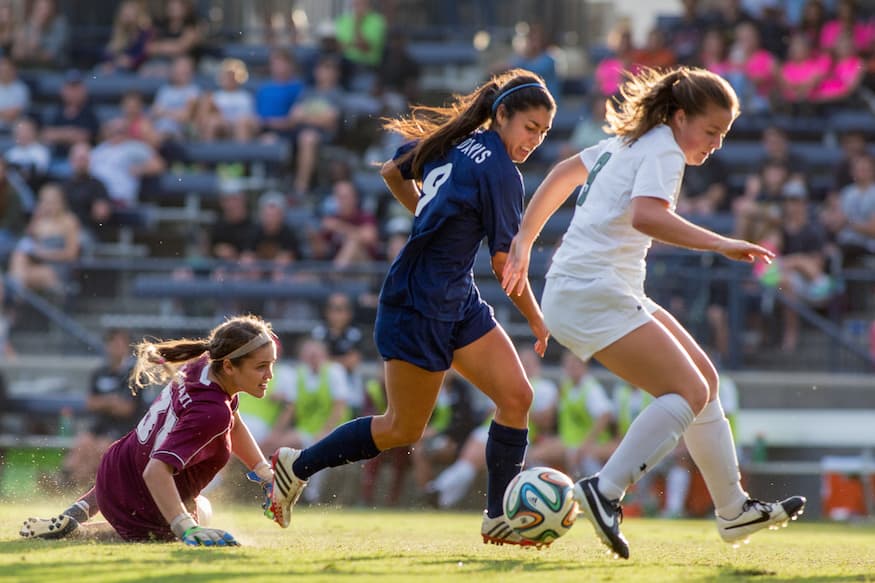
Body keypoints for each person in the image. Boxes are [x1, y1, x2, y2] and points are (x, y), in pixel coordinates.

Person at [501, 66, 805, 559]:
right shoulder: (662, 148)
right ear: (681, 117)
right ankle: (605, 491)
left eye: (724, 135)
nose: (716, 144)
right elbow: (648, 215)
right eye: (711, 132)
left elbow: (563, 173)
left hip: (594, 287)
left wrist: (525, 241)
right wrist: (722, 243)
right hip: (589, 290)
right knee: (685, 390)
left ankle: (733, 510)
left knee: (703, 380)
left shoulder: (631, 141)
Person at [266, 69, 556, 546]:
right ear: (502, 115)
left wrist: (430, 217)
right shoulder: (502, 170)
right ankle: (297, 466)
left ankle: (498, 516)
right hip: (419, 302)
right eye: (530, 127)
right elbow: (506, 264)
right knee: (402, 428)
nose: (535, 140)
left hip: (453, 295)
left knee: (516, 398)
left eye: (543, 133)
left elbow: (391, 172)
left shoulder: (459, 141)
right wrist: (537, 319)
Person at [19, 315, 278, 546]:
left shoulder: (203, 366)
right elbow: (155, 472)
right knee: (201, 509)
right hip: (142, 493)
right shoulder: (214, 411)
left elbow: (233, 421)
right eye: (261, 366)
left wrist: (264, 471)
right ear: (230, 367)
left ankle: (74, 513)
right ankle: (82, 533)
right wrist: (184, 527)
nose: (269, 374)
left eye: (271, 364)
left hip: (117, 465)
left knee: (167, 482)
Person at [61, 328, 141, 489]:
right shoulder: (99, 373)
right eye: (112, 342)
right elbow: (90, 403)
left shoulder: (135, 374)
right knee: (82, 444)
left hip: (124, 428)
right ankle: (68, 481)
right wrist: (111, 401)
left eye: (120, 343)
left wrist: (103, 402)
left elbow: (127, 409)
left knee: (101, 449)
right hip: (100, 424)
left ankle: (71, 486)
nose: (116, 347)